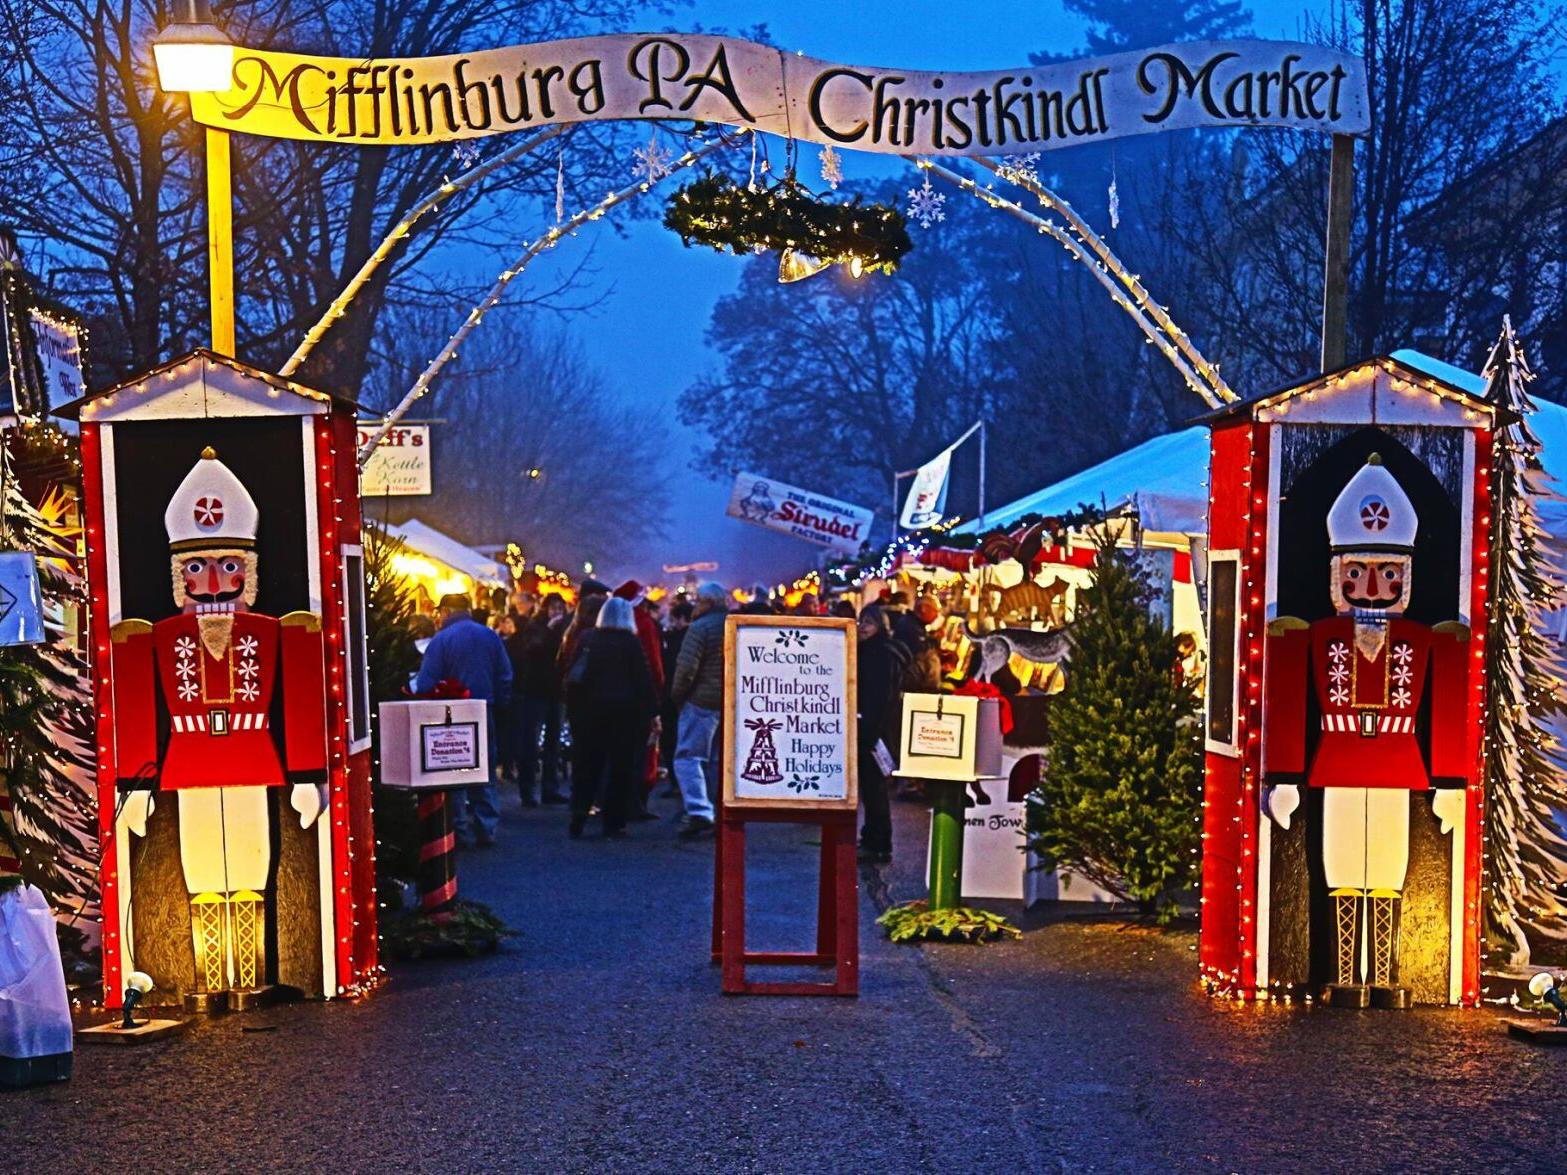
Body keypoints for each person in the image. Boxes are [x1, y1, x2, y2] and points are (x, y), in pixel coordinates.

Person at [413, 592, 513, 848]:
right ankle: (486, 825)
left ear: (445, 611)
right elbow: (505, 674)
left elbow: (426, 682)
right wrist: (500, 702)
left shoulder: (441, 640)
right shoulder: (489, 635)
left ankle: (458, 828)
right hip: (484, 709)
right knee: (485, 769)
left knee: (455, 770)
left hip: (451, 714)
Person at [562, 597, 660, 839]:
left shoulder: (587, 638)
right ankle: (613, 822)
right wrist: (653, 713)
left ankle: (579, 813)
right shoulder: (630, 642)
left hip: (589, 712)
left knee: (587, 765)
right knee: (620, 769)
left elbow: (573, 673)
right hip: (624, 714)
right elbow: (642, 680)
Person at [669, 582, 729, 838]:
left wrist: (677, 697)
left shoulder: (699, 628)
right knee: (717, 761)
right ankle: (722, 809)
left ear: (707, 603)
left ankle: (699, 811)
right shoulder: (735, 624)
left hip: (701, 701)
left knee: (688, 758)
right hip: (729, 702)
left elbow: (686, 669)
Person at [614, 580, 666, 818]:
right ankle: (636, 802)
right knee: (642, 750)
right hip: (639, 697)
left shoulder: (605, 625)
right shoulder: (645, 624)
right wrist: (658, 693)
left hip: (612, 697)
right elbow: (654, 665)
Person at [513, 593, 569, 805]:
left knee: (553, 742)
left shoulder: (565, 628)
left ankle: (550, 788)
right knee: (531, 742)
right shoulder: (535, 626)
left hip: (556, 692)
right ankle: (527, 791)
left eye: (559, 608)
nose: (556, 613)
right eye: (553, 608)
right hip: (535, 691)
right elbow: (532, 650)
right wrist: (549, 631)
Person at [855, 603, 899, 864]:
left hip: (875, 728)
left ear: (879, 626)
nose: (862, 627)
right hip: (874, 726)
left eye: (868, 622)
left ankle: (878, 842)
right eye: (861, 621)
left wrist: (871, 732)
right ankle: (873, 837)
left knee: (874, 787)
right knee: (872, 787)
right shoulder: (871, 650)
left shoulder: (879, 654)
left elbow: (880, 697)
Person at [659, 598, 694, 790]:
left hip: (674, 696)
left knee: (672, 739)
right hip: (692, 698)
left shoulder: (675, 640)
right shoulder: (697, 636)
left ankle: (677, 782)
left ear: (681, 619)